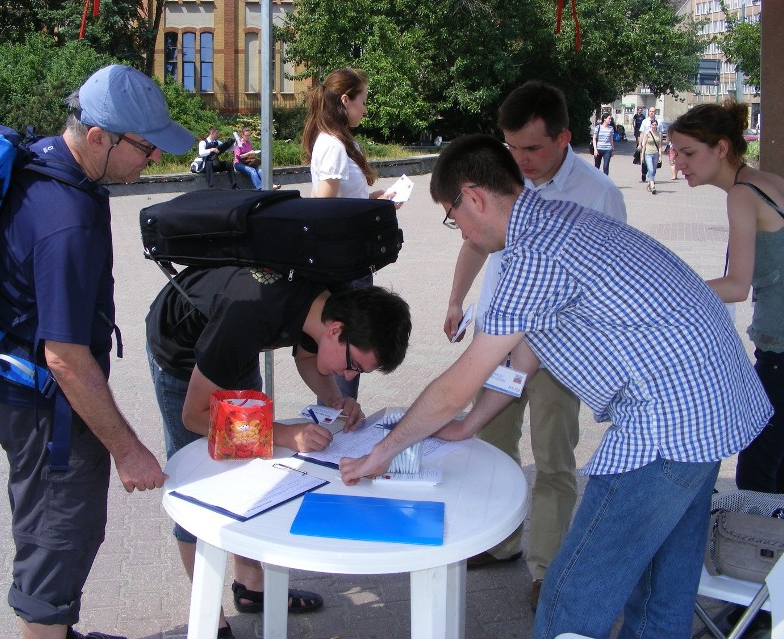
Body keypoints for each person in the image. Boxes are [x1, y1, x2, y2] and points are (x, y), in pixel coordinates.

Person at [342, 133, 772, 638]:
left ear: (473, 197)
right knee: (662, 587)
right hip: (712, 406)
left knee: (571, 595)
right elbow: (524, 356)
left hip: (669, 423)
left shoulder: (533, 254)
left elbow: (459, 383)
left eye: (451, 216)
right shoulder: (558, 224)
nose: (459, 232)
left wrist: (385, 450)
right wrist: (470, 425)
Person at [0, 64, 194, 639]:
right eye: (145, 148)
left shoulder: (53, 165)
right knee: (59, 532)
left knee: (56, 520)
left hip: (19, 383)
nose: (153, 161)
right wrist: (129, 450)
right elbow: (65, 358)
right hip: (46, 403)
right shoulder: (65, 220)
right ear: (98, 136)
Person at [146, 272, 411, 639]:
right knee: (202, 485)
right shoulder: (250, 315)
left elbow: (308, 353)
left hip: (233, 349)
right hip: (184, 355)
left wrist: (336, 398)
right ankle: (208, 618)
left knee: (250, 466)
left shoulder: (325, 300)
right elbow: (195, 418)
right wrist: (284, 433)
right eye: (353, 364)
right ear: (336, 330)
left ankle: (252, 586)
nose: (350, 374)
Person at [443, 80, 626, 612]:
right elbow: (477, 239)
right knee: (489, 447)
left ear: (565, 137)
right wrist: (456, 301)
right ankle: (498, 542)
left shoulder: (598, 193)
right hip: (496, 337)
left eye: (532, 148)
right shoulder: (505, 180)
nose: (520, 160)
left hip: (559, 352)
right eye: (512, 148)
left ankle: (547, 567)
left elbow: (608, 281)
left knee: (552, 458)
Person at [671, 101, 784, 494]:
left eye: (688, 153)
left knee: (757, 475)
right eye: (675, 152)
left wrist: (670, 291)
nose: (679, 162)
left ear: (720, 148)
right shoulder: (768, 180)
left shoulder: (741, 194)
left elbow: (736, 285)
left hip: (781, 351)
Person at [300, 67, 397, 401]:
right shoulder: (332, 145)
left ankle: (341, 420)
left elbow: (343, 203)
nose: (365, 109)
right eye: (363, 101)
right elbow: (323, 213)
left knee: (350, 359)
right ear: (345, 100)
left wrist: (375, 204)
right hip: (343, 272)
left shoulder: (340, 142)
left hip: (352, 266)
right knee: (347, 356)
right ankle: (339, 424)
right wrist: (370, 214)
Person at [638, 106, 662, 183]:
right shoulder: (645, 121)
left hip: (654, 144)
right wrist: (639, 144)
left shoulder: (659, 122)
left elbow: (660, 134)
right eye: (650, 111)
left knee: (653, 165)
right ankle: (644, 173)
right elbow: (642, 133)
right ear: (648, 112)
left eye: (653, 111)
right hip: (645, 144)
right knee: (644, 161)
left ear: (655, 112)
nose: (652, 112)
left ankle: (651, 178)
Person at [640, 118, 662, 194]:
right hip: (648, 154)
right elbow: (644, 145)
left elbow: (659, 146)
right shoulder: (647, 134)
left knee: (654, 171)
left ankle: (649, 182)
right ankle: (653, 187)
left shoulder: (659, 134)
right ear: (650, 125)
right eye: (653, 125)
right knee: (651, 170)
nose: (654, 126)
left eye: (655, 125)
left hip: (656, 154)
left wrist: (660, 156)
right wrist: (642, 156)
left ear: (657, 125)